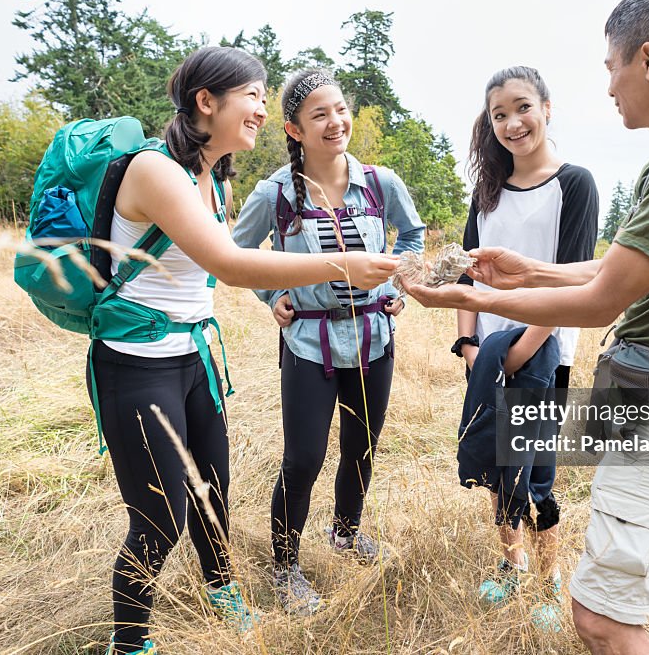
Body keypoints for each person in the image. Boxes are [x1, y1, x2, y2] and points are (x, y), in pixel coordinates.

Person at [404, 0, 649, 654]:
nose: (608, 86)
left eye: (611, 66)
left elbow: (604, 299)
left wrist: (475, 298)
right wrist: (529, 271)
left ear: (648, 59)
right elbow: (623, 273)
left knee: (602, 617)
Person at [90, 47, 398, 655]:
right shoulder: (155, 170)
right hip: (137, 363)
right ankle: (130, 643)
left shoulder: (214, 177)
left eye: (263, 96)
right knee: (160, 517)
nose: (261, 108)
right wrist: (343, 265)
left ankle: (222, 588)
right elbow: (230, 263)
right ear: (207, 103)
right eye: (252, 95)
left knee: (213, 490)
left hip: (195, 357)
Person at [231, 68, 425, 616]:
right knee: (304, 458)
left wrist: (396, 286)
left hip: (373, 337)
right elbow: (237, 256)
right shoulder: (274, 193)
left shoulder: (380, 184)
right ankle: (286, 565)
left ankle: (344, 533)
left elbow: (411, 236)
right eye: (319, 114)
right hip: (309, 343)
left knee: (360, 447)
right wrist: (273, 298)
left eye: (339, 109)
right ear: (293, 129)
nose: (335, 122)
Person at [453, 66, 597, 630]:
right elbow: (468, 274)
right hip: (487, 352)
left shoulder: (575, 183)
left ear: (547, 108)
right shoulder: (486, 190)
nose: (512, 123)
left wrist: (522, 349)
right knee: (496, 460)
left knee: (538, 468)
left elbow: (572, 281)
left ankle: (547, 578)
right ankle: (511, 562)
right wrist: (469, 342)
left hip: (547, 352)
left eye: (522, 108)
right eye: (499, 115)